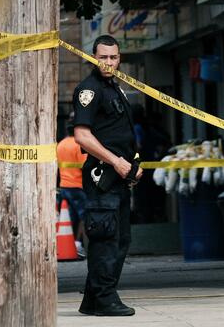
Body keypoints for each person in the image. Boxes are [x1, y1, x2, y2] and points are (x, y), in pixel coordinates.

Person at [72, 34, 143, 317]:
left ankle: (92, 299)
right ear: (93, 57)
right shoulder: (88, 90)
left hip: (119, 177)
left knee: (120, 239)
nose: (108, 62)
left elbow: (120, 134)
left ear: (119, 58)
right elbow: (82, 135)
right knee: (106, 240)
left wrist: (133, 165)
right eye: (103, 57)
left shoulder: (115, 88)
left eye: (113, 57)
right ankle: (105, 299)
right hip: (103, 177)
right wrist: (116, 162)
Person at [57, 115, 88, 258]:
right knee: (84, 215)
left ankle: (69, 244)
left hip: (64, 185)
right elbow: (84, 167)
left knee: (69, 217)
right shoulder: (79, 145)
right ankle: (78, 244)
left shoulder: (61, 144)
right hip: (78, 185)